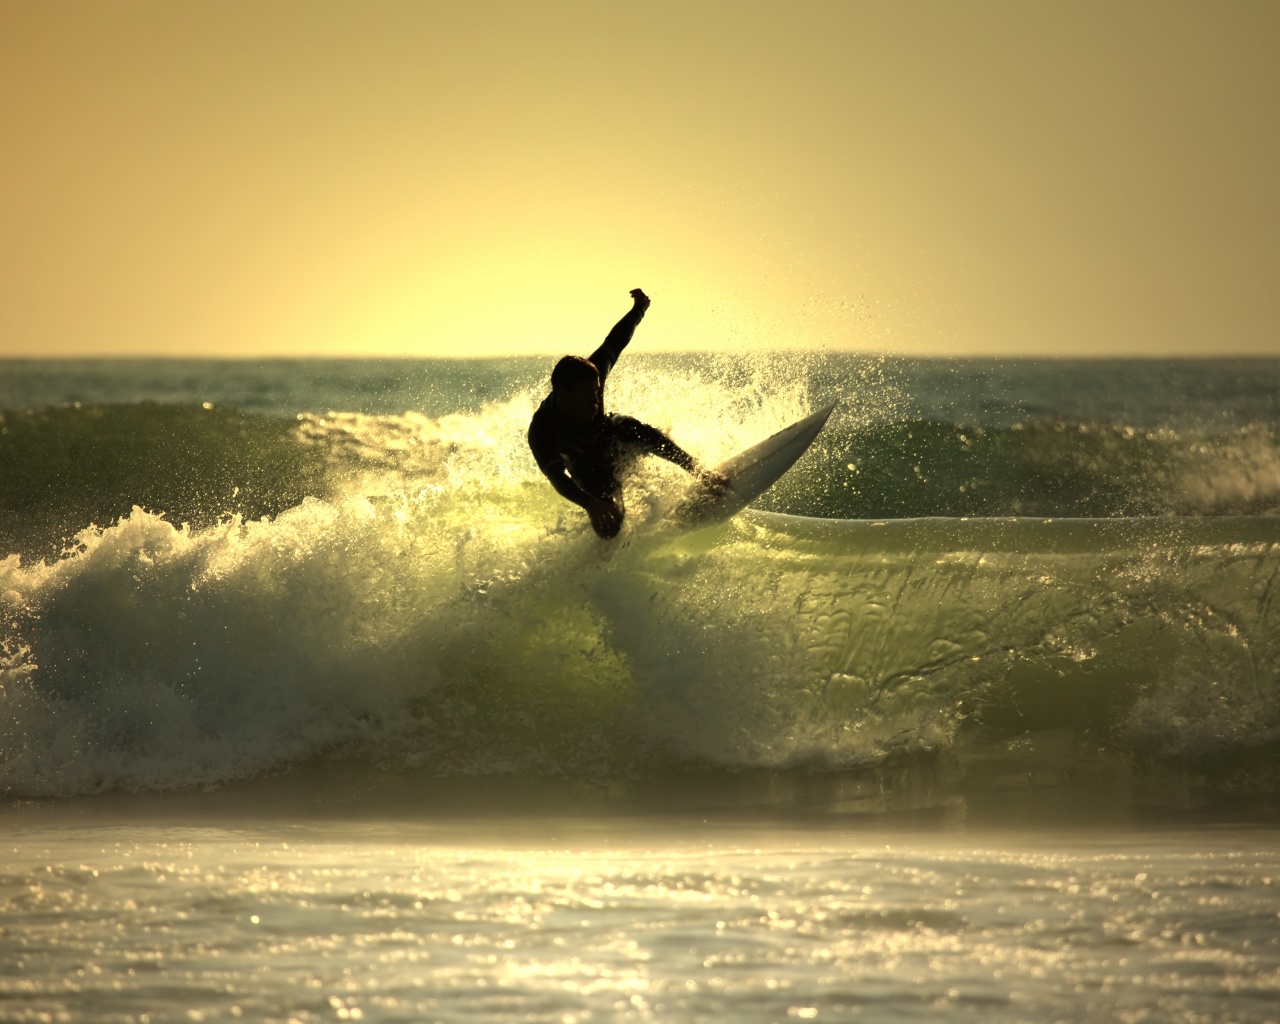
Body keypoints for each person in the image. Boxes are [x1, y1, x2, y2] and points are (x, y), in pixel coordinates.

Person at [527, 288, 723, 538]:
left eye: (596, 393)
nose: (595, 401)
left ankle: (700, 472)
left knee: (628, 426)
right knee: (609, 524)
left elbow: (615, 341)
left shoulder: (592, 372)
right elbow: (557, 477)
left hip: (611, 436)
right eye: (588, 396)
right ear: (565, 395)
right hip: (586, 468)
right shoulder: (542, 429)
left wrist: (639, 308)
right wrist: (590, 504)